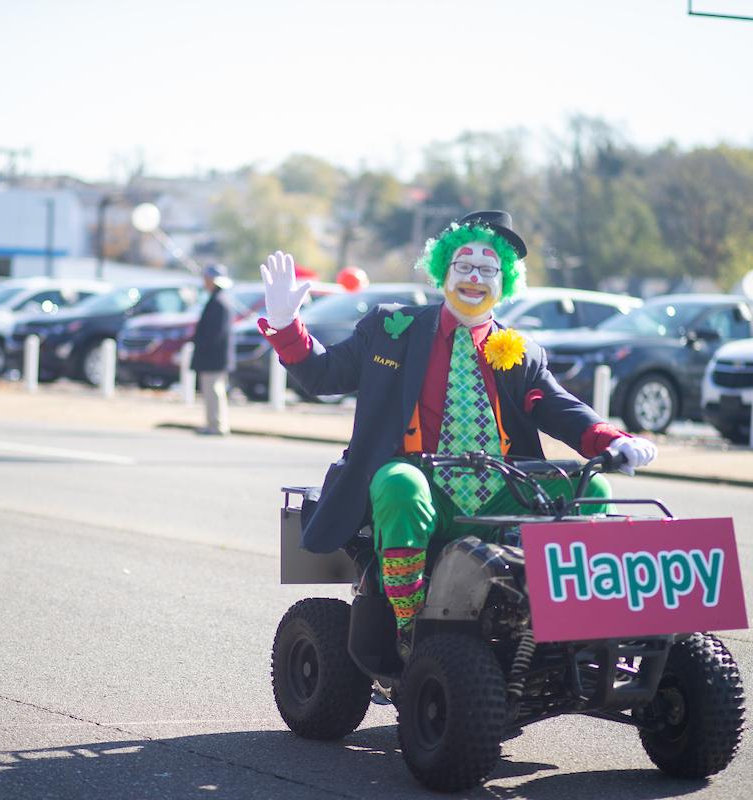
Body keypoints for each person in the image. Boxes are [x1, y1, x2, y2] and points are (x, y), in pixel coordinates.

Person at [258, 211, 656, 642]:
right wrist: (286, 326)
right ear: (442, 272)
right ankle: (408, 629)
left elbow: (558, 406)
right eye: (463, 266)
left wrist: (613, 439)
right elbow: (323, 375)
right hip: (422, 483)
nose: (475, 278)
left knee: (593, 490)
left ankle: (567, 621)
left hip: (505, 489)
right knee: (398, 483)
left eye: (488, 269)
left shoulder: (520, 350)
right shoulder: (393, 329)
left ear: (505, 283)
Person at [191, 264, 235, 436]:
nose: (204, 282)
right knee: (212, 391)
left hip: (214, 357)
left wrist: (202, 347)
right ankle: (213, 423)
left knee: (214, 391)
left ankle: (216, 425)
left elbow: (214, 333)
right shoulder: (220, 299)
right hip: (215, 356)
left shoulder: (219, 302)